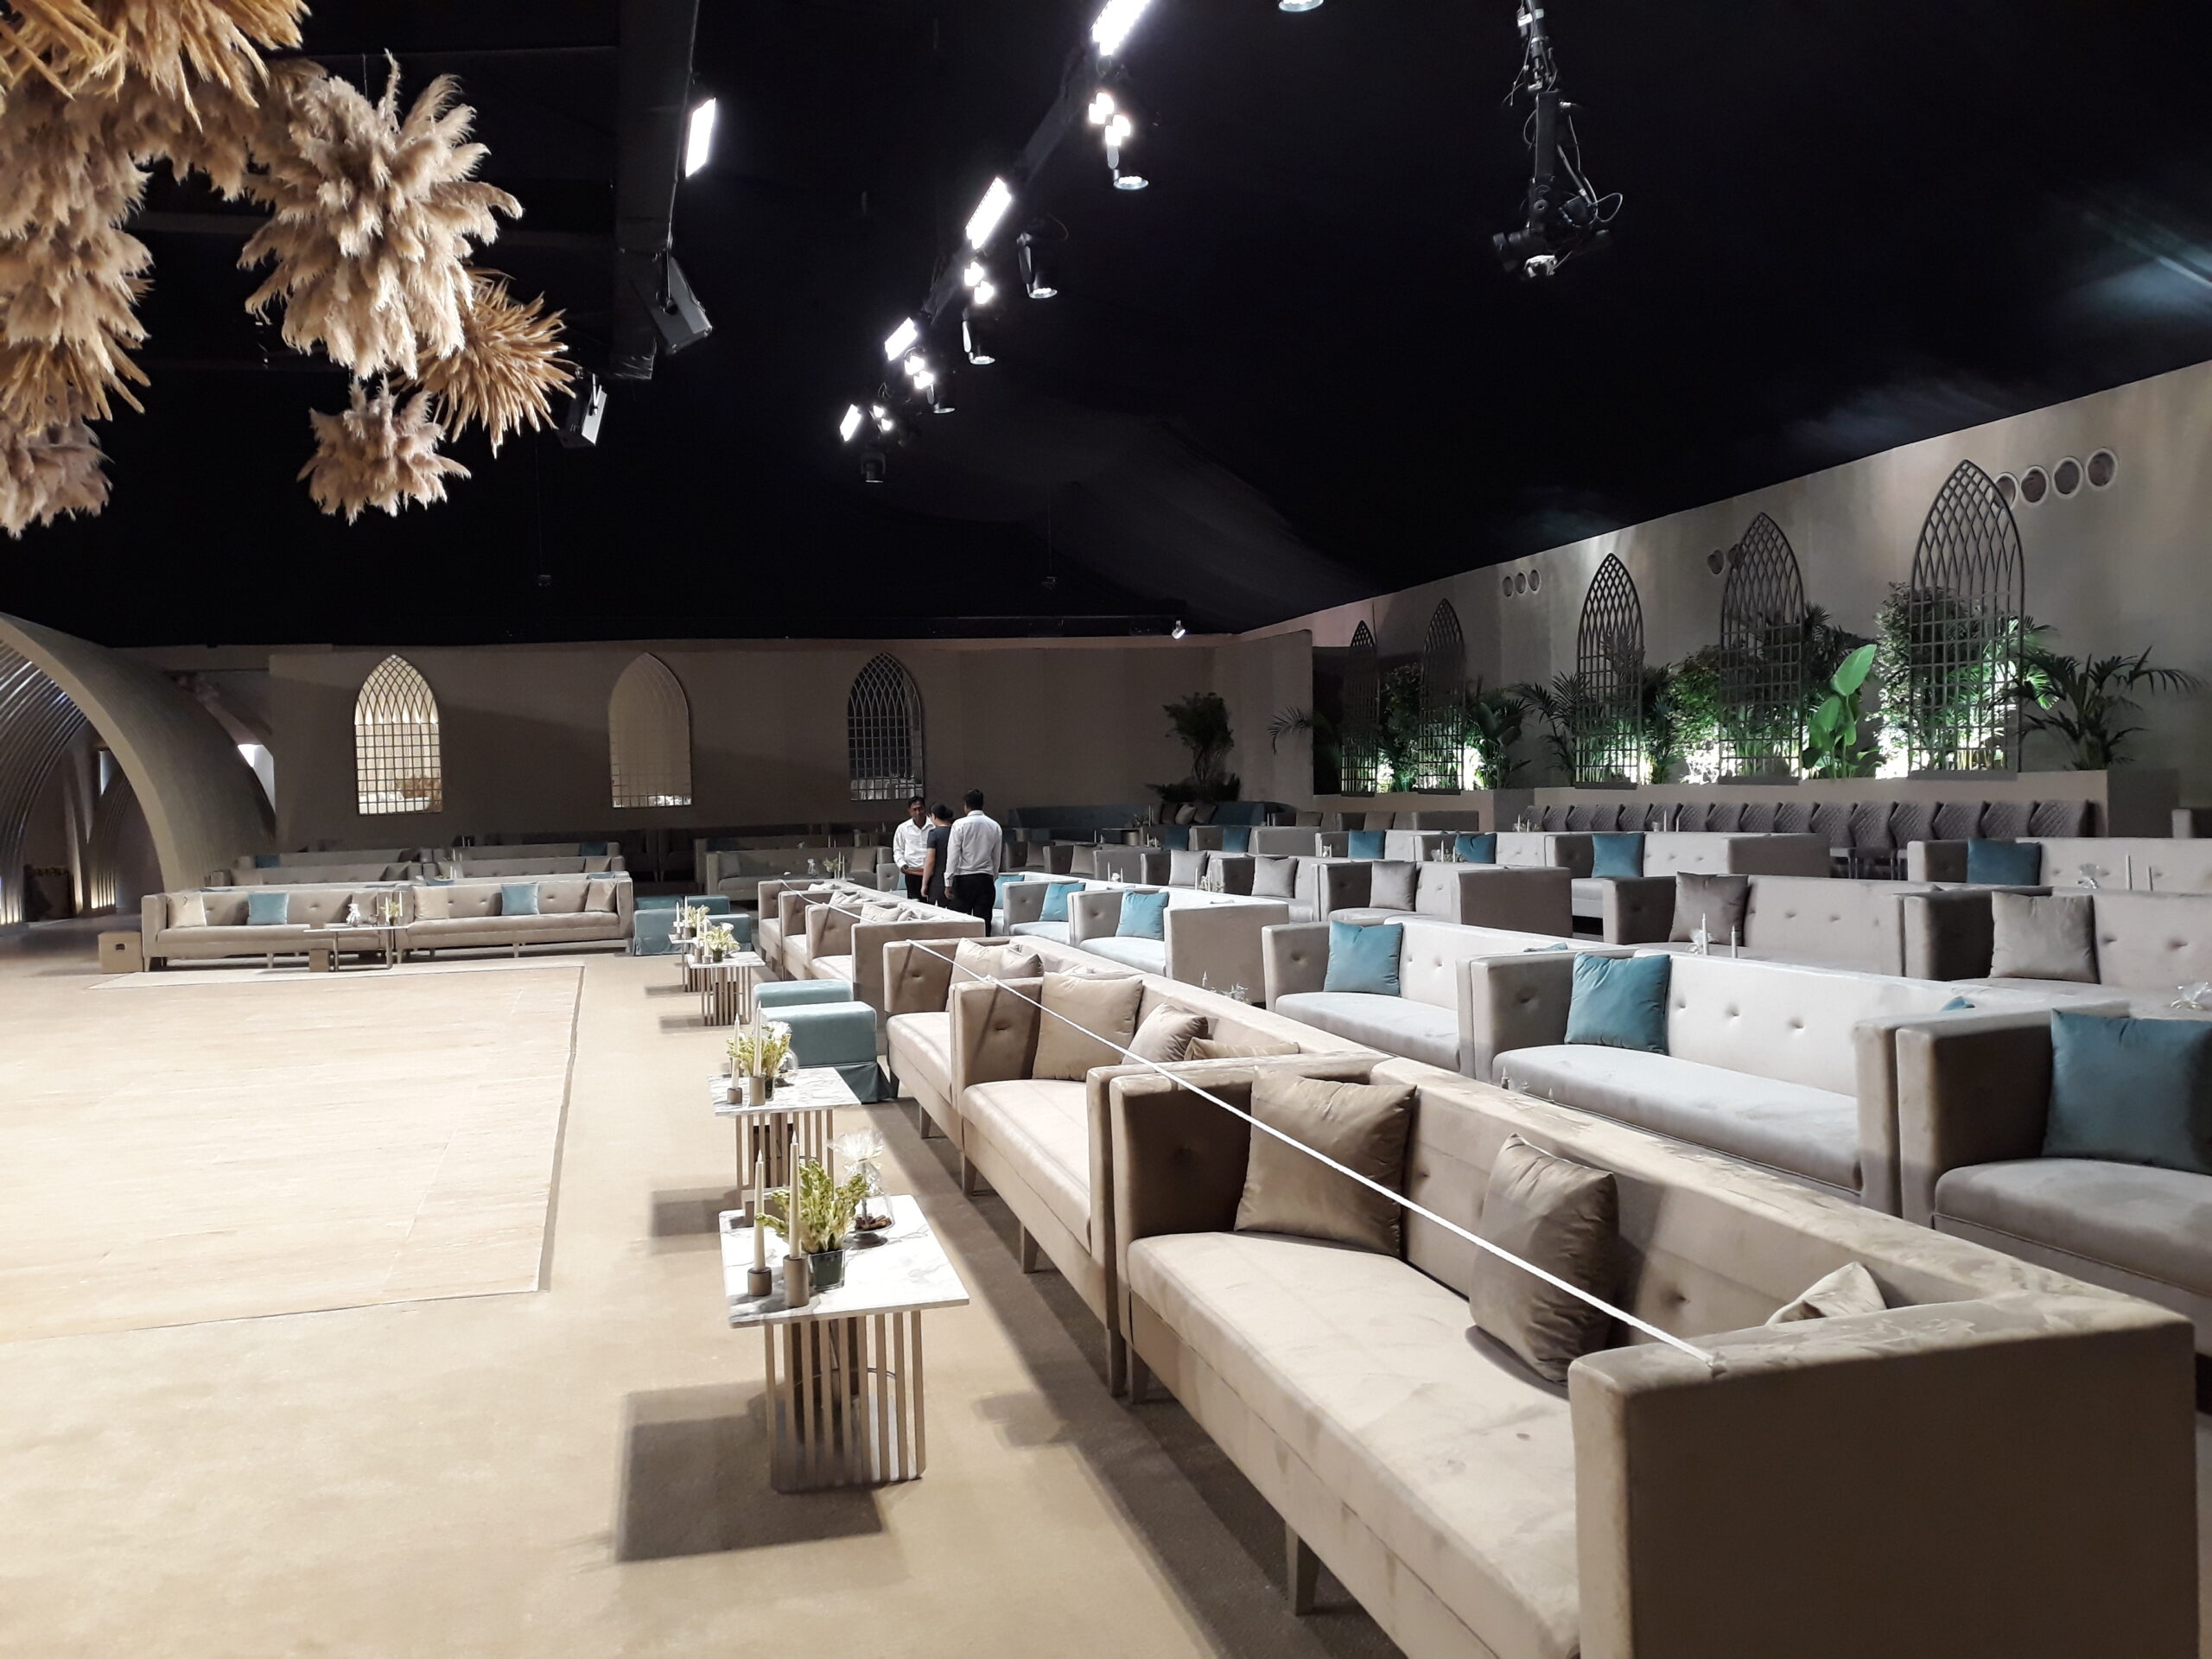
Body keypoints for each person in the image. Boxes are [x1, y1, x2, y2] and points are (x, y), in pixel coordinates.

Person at [944, 787, 1004, 920]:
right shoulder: (994, 826)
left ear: (966, 806)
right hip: (985, 879)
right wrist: (993, 876)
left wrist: (948, 882)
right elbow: (996, 856)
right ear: (982, 804)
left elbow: (953, 855)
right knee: (984, 922)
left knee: (961, 923)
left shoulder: (959, 825)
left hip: (964, 880)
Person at [892, 795, 931, 899]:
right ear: (909, 811)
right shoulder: (903, 828)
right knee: (915, 903)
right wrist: (902, 865)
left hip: (931, 873)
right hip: (912, 872)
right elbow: (898, 850)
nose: (918, 812)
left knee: (933, 905)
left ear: (925, 808)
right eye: (915, 810)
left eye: (920, 809)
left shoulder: (934, 826)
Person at [919, 803, 954, 906]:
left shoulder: (934, 833)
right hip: (956, 880)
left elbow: (930, 860)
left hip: (938, 881)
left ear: (933, 816)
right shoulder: (955, 831)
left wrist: (924, 884)